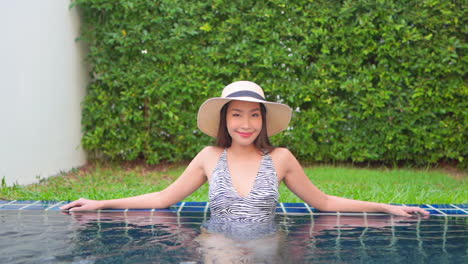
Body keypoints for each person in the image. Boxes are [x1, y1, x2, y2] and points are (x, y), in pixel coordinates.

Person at [60, 81, 429, 218]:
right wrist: (101, 204)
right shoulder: (208, 157)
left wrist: (385, 207)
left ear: (264, 121)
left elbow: (326, 203)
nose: (246, 124)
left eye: (254, 115)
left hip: (268, 250)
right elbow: (162, 198)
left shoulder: (281, 159)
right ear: (225, 119)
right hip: (216, 249)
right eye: (236, 114)